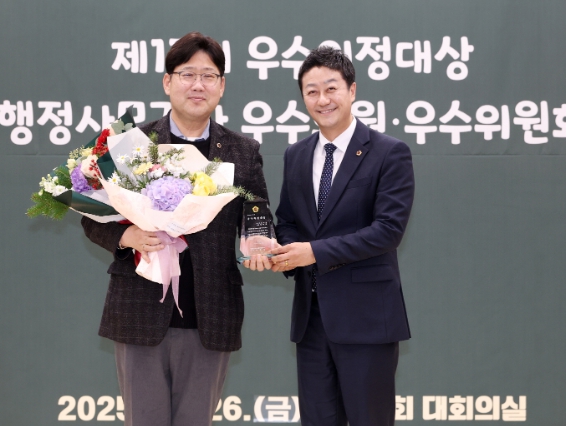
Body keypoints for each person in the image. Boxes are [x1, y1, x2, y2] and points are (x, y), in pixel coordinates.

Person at [81, 32, 270, 426]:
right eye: (187, 74)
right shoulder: (131, 142)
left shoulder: (243, 151)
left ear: (222, 86)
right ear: (168, 82)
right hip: (139, 310)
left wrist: (258, 239)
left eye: (209, 76)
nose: (198, 85)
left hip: (210, 314)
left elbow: (257, 211)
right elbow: (90, 212)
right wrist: (125, 237)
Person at [269, 46, 415, 426]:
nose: (323, 99)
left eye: (331, 88)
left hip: (366, 319)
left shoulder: (389, 152)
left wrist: (313, 252)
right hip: (311, 320)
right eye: (312, 91)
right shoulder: (296, 154)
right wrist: (283, 252)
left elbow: (387, 230)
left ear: (352, 90)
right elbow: (287, 220)